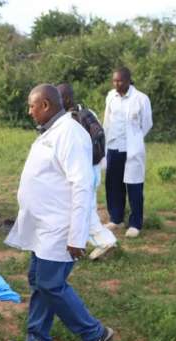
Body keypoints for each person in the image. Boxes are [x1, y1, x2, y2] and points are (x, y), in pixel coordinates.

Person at [5, 84, 114, 341]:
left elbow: (82, 186)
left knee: (51, 284)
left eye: (32, 106)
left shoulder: (71, 134)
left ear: (45, 105)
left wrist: (77, 235)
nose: (29, 112)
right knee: (39, 282)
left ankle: (95, 333)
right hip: (43, 225)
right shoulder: (52, 132)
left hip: (60, 226)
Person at [57, 83, 116, 260]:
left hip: (82, 173)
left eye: (58, 98)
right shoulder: (88, 112)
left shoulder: (70, 121)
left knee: (84, 211)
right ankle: (78, 245)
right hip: (94, 169)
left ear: (66, 99)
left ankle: (105, 241)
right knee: (85, 208)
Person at [102, 67, 152, 238]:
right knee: (113, 184)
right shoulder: (111, 96)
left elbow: (147, 124)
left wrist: (135, 139)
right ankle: (116, 218)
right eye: (114, 81)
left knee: (134, 185)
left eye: (120, 81)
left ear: (129, 80)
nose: (117, 84)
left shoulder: (141, 99)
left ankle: (135, 223)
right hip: (113, 146)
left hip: (132, 149)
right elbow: (107, 120)